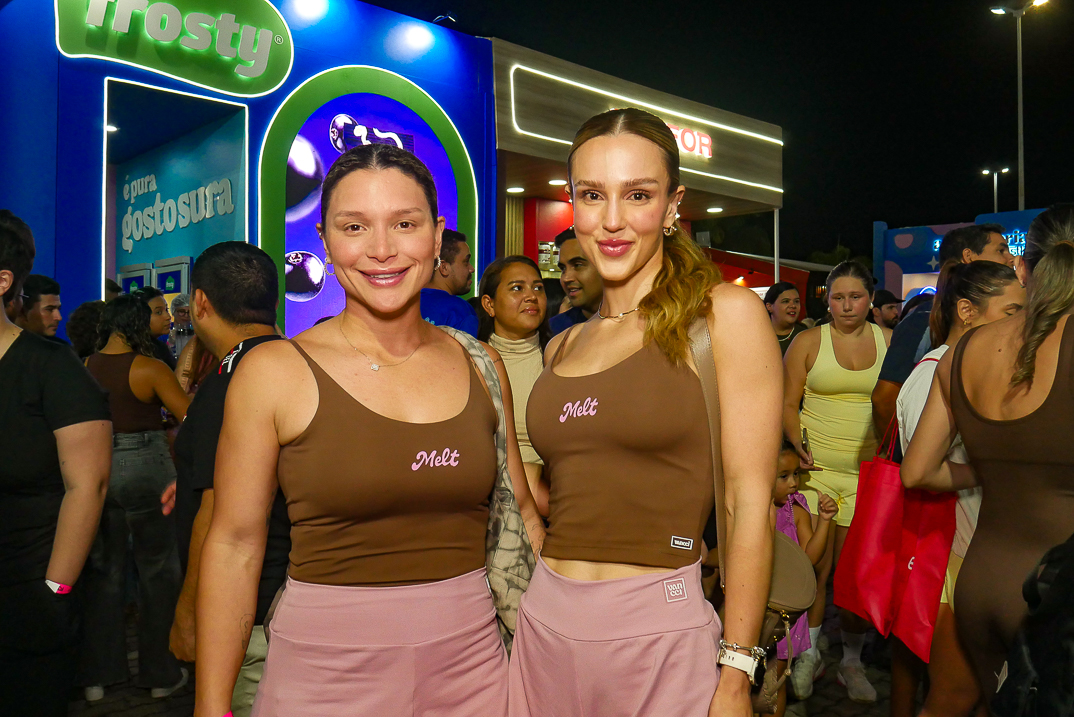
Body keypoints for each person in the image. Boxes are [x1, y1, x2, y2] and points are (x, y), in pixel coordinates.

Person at [193, 144, 544, 717]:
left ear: (437, 236)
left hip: (475, 672)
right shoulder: (274, 372)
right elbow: (234, 544)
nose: (382, 250)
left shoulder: (481, 363)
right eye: (354, 227)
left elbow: (521, 515)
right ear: (326, 243)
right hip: (325, 676)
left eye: (404, 224)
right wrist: (211, 705)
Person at [510, 108, 780, 717]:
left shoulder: (722, 316)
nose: (612, 220)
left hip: (659, 634)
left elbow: (747, 503)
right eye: (592, 195)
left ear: (673, 205)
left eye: (637, 195)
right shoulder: (561, 345)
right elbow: (569, 485)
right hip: (544, 625)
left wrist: (737, 672)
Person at [902, 204, 1074, 696]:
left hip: (982, 586)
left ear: (1021, 267)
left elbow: (916, 471)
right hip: (1058, 596)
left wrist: (987, 470)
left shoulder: (962, 352)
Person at [889, 260, 1023, 717]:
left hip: (973, 550)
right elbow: (919, 470)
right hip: (949, 558)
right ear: (967, 311)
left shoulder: (977, 369)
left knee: (982, 694)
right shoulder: (933, 374)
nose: (1020, 324)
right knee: (955, 694)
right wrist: (991, 471)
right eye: (1011, 312)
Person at [169, 242, 288, 717]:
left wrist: (189, 614)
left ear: (200, 302)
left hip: (247, 613)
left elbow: (218, 511)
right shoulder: (292, 363)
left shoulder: (232, 381)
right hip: (286, 599)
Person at [0, 219, 111, 717]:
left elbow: (89, 486)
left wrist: (56, 589)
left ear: (4, 280)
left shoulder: (51, 367)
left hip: (26, 601)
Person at [783, 260, 891, 703]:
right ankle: (808, 653)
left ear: (871, 299)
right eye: (838, 297)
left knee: (853, 574)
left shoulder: (889, 341)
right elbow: (787, 402)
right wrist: (797, 442)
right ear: (827, 300)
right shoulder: (809, 342)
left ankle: (851, 660)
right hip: (817, 475)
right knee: (814, 568)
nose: (846, 306)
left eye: (856, 297)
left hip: (866, 477)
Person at [80, 295, 191, 702]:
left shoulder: (86, 365)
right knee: (157, 574)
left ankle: (97, 677)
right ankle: (160, 674)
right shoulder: (149, 367)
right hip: (148, 468)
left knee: (103, 574)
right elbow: (188, 415)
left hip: (99, 466)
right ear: (136, 324)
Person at [872, 224, 1016, 438]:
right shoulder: (924, 318)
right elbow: (885, 397)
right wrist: (902, 451)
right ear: (968, 256)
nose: (1011, 258)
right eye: (1001, 250)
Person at [477, 255, 552, 516]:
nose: (531, 296)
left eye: (538, 288)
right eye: (517, 288)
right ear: (489, 304)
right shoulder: (470, 363)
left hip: (554, 493)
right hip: (491, 498)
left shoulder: (562, 358)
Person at [771, 441, 837, 717]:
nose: (793, 482)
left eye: (796, 474)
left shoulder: (795, 509)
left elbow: (810, 557)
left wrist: (825, 520)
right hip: (754, 602)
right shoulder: (748, 507)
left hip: (781, 610)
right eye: (784, 476)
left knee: (774, 682)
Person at [420, 227, 479, 334]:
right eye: (466, 262)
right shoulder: (459, 311)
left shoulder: (404, 305)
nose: (472, 269)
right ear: (444, 267)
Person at [548, 227, 604, 335]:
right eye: (563, 269)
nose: (566, 278)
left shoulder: (636, 325)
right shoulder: (554, 330)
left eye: (577, 265)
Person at [132, 286, 177, 369]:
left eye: (166, 310)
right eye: (158, 312)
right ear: (140, 317)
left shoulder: (160, 348)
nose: (168, 316)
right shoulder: (133, 353)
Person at [764, 281, 806, 356]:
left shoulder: (806, 336)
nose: (793, 305)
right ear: (769, 307)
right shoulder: (758, 336)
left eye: (796, 301)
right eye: (786, 301)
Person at [16, 273, 63, 339]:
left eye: (59, 309)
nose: (59, 318)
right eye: (49, 309)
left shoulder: (62, 346)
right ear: (22, 311)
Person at [169, 293, 195, 358]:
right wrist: (170, 343)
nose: (186, 315)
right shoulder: (165, 331)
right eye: (181, 312)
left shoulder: (197, 331)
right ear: (173, 312)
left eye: (189, 312)